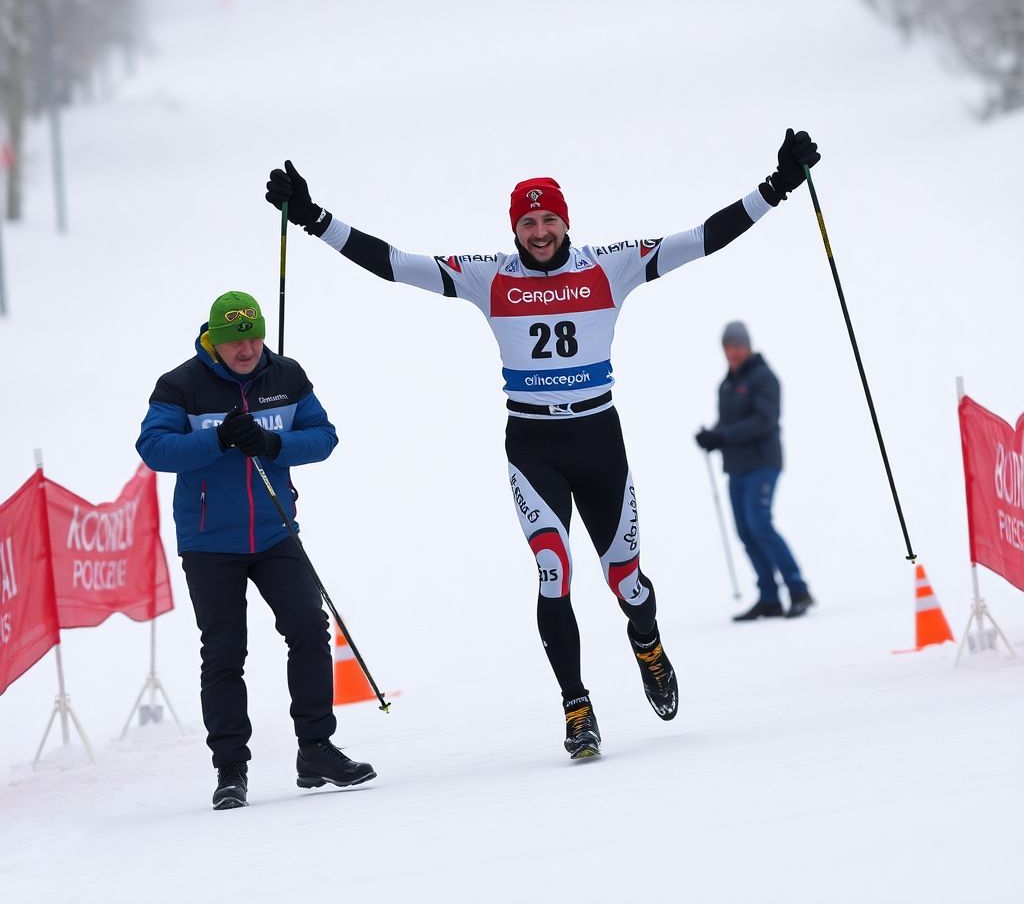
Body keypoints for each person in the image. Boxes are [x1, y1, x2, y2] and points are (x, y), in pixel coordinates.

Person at [265, 128, 820, 760]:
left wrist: (777, 187)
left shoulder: (611, 265)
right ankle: (576, 705)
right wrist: (313, 219)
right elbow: (394, 263)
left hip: (598, 438)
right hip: (533, 442)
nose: (539, 232)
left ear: (565, 221)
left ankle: (647, 643)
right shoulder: (487, 277)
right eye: (527, 222)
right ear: (514, 229)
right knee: (554, 569)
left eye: (548, 219)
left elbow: (701, 240)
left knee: (627, 581)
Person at [136, 291, 376, 809]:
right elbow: (152, 448)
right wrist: (218, 439)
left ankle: (315, 748)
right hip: (209, 540)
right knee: (224, 653)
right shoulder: (180, 385)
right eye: (232, 339)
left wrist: (273, 445)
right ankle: (230, 770)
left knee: (309, 629)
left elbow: (324, 436)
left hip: (275, 532)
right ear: (213, 340)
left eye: (252, 336)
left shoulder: (285, 375)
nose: (245, 349)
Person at [695, 321, 814, 621]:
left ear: (747, 346)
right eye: (727, 347)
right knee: (746, 531)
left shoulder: (763, 377)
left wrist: (723, 436)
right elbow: (728, 424)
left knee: (760, 524)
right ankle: (769, 598)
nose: (732, 352)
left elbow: (765, 420)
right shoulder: (727, 384)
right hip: (736, 467)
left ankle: (798, 590)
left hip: (762, 463)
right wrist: (712, 436)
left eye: (736, 346)